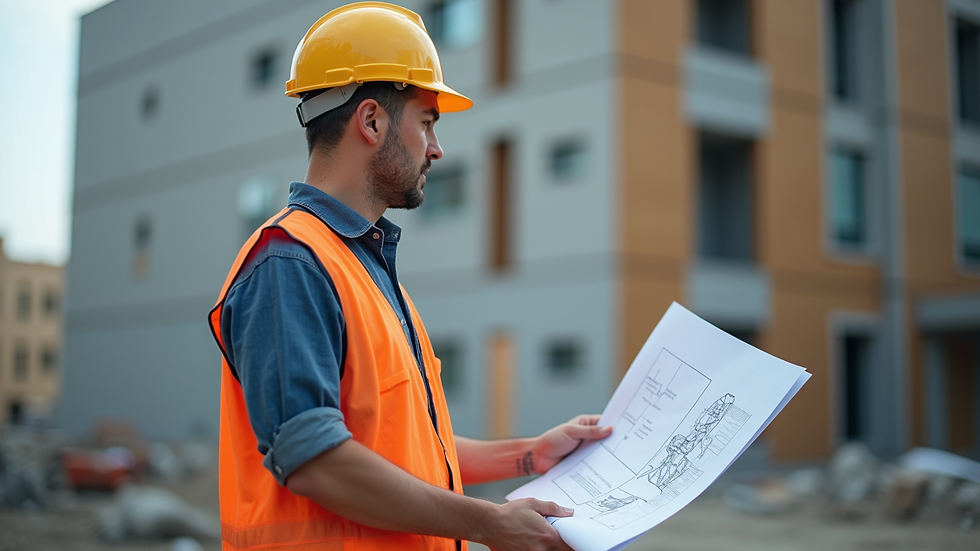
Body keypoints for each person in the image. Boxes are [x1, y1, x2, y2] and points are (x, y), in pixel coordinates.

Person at [208, 3, 611, 550]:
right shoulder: (290, 263)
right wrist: (488, 523)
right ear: (371, 121)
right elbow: (315, 459)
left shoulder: (360, 266)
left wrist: (530, 453)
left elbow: (414, 448)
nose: (438, 149)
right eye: (427, 123)